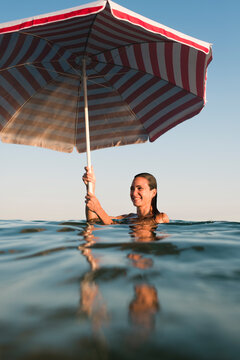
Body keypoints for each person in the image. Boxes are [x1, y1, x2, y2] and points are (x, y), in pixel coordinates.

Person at [82, 166, 169, 225]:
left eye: (140, 188)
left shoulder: (160, 218)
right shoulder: (129, 217)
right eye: (132, 189)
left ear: (153, 192)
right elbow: (93, 220)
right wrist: (90, 187)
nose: (134, 193)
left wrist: (98, 209)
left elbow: (112, 225)